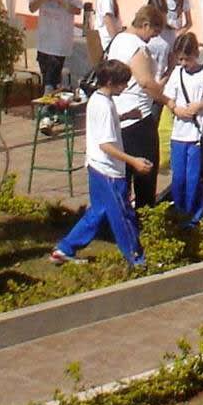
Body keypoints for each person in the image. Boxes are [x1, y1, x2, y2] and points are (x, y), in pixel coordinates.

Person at [50, 60, 149, 268]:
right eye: (123, 83)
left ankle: (65, 248)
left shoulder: (98, 98)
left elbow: (103, 126)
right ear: (112, 81)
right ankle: (136, 258)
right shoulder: (104, 105)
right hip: (108, 171)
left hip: (96, 166)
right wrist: (133, 161)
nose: (125, 87)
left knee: (99, 211)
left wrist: (125, 116)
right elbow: (106, 144)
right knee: (122, 215)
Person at [106, 5, 168, 208]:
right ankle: (145, 217)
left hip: (120, 114)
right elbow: (145, 82)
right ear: (145, 25)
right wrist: (167, 100)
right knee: (145, 174)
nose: (152, 38)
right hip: (138, 116)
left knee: (123, 172)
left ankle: (121, 215)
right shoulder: (137, 47)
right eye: (153, 33)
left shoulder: (118, 39)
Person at [166, 32, 203, 222]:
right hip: (179, 134)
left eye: (186, 59)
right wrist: (176, 109)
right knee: (178, 180)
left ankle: (193, 218)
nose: (183, 63)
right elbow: (169, 99)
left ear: (194, 55)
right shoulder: (177, 73)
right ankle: (179, 213)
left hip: (199, 134)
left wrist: (200, 105)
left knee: (193, 180)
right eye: (180, 59)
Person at [26, 0, 81, 94]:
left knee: (52, 80)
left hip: (60, 42)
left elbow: (77, 9)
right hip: (44, 41)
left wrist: (61, 2)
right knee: (47, 79)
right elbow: (32, 8)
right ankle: (47, 106)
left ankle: (47, 107)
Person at [151, 0, 191, 81]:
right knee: (158, 73)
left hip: (173, 41)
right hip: (158, 42)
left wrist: (179, 32)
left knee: (172, 73)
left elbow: (189, 22)